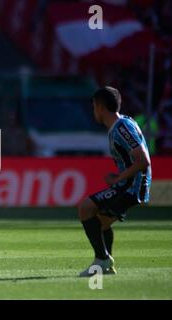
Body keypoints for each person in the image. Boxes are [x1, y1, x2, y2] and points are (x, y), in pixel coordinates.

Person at [78, 87, 151, 277]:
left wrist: (119, 178)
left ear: (101, 107)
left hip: (133, 186)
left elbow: (143, 160)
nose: (93, 111)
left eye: (94, 106)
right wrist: (119, 177)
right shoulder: (123, 123)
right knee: (100, 221)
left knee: (86, 208)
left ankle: (102, 260)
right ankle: (106, 265)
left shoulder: (121, 127)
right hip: (128, 183)